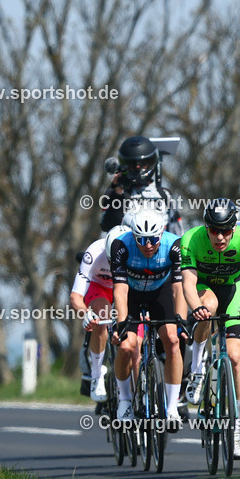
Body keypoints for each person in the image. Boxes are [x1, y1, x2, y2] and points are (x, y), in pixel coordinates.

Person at [180, 199, 240, 460]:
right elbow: (188, 283)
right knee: (209, 306)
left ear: (234, 228)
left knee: (236, 357)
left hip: (233, 290)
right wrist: (196, 308)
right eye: (214, 230)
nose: (220, 237)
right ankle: (197, 368)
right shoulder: (191, 240)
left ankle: (238, 430)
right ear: (206, 227)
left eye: (225, 231)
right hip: (204, 289)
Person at [108, 210, 186, 428]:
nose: (148, 245)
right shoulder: (121, 245)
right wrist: (122, 324)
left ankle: (172, 408)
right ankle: (125, 400)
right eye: (142, 240)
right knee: (126, 346)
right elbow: (120, 290)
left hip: (160, 292)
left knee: (173, 340)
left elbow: (178, 289)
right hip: (131, 295)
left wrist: (181, 320)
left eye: (152, 239)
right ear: (133, 236)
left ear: (161, 234)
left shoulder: (174, 245)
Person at [69, 225, 128, 409]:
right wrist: (86, 314)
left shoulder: (138, 251)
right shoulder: (94, 252)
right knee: (102, 316)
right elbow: (75, 297)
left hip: (126, 288)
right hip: (99, 287)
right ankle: (96, 375)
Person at [100, 135, 183, 235]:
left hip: (158, 243)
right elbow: (108, 227)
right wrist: (118, 192)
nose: (138, 168)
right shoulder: (114, 193)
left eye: (142, 165)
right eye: (133, 165)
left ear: (151, 163)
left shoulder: (164, 195)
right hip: (127, 243)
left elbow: (177, 231)